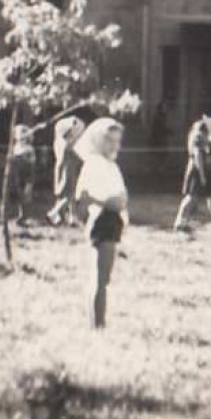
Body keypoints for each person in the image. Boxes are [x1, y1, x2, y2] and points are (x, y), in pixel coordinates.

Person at [74, 117, 129, 330]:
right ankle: (97, 325)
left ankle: (99, 323)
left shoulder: (110, 165)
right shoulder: (94, 164)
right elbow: (84, 197)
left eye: (117, 141)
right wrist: (106, 201)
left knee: (105, 277)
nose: (115, 146)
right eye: (110, 141)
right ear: (99, 141)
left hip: (112, 219)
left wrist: (118, 201)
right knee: (100, 278)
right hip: (103, 219)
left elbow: (121, 197)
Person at [174, 115, 211, 233]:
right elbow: (198, 156)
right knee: (191, 197)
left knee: (210, 197)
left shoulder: (202, 138)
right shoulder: (197, 137)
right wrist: (202, 175)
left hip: (204, 171)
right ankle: (180, 222)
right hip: (197, 171)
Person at [48, 117, 86, 227]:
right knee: (68, 193)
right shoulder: (65, 146)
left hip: (68, 168)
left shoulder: (62, 143)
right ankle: (54, 213)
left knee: (70, 193)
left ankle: (70, 217)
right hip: (67, 170)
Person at [10, 123, 37, 225]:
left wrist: (19, 158)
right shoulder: (16, 147)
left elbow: (31, 162)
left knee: (26, 195)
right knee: (19, 194)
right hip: (18, 174)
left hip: (27, 174)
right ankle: (20, 214)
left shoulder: (29, 149)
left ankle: (25, 216)